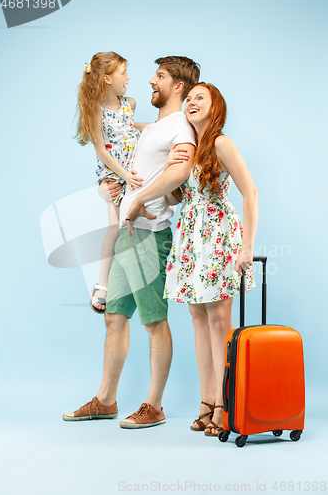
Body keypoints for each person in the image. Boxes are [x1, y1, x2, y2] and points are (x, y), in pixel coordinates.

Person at [63, 56, 200, 427]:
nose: (150, 82)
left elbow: (181, 174)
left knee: (154, 322)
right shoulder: (154, 126)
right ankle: (106, 400)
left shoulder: (181, 129)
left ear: (179, 87)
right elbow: (117, 149)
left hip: (148, 235)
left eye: (160, 77)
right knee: (114, 317)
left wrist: (138, 200)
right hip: (127, 231)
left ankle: (154, 406)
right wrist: (110, 189)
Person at [125, 83, 258, 436]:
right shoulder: (191, 148)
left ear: (216, 106)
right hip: (190, 237)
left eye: (200, 97)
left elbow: (251, 192)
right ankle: (206, 401)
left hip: (217, 233)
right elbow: (173, 200)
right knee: (198, 319)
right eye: (188, 99)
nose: (191, 103)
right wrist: (169, 167)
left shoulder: (220, 143)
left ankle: (224, 406)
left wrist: (247, 246)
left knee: (218, 321)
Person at [75, 51, 144, 314]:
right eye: (122, 73)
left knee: (135, 226)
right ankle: (102, 283)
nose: (128, 77)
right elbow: (101, 149)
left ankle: (130, 282)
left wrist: (157, 126)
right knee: (114, 228)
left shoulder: (130, 103)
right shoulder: (94, 109)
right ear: (106, 79)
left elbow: (129, 128)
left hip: (135, 173)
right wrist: (123, 175)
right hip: (115, 176)